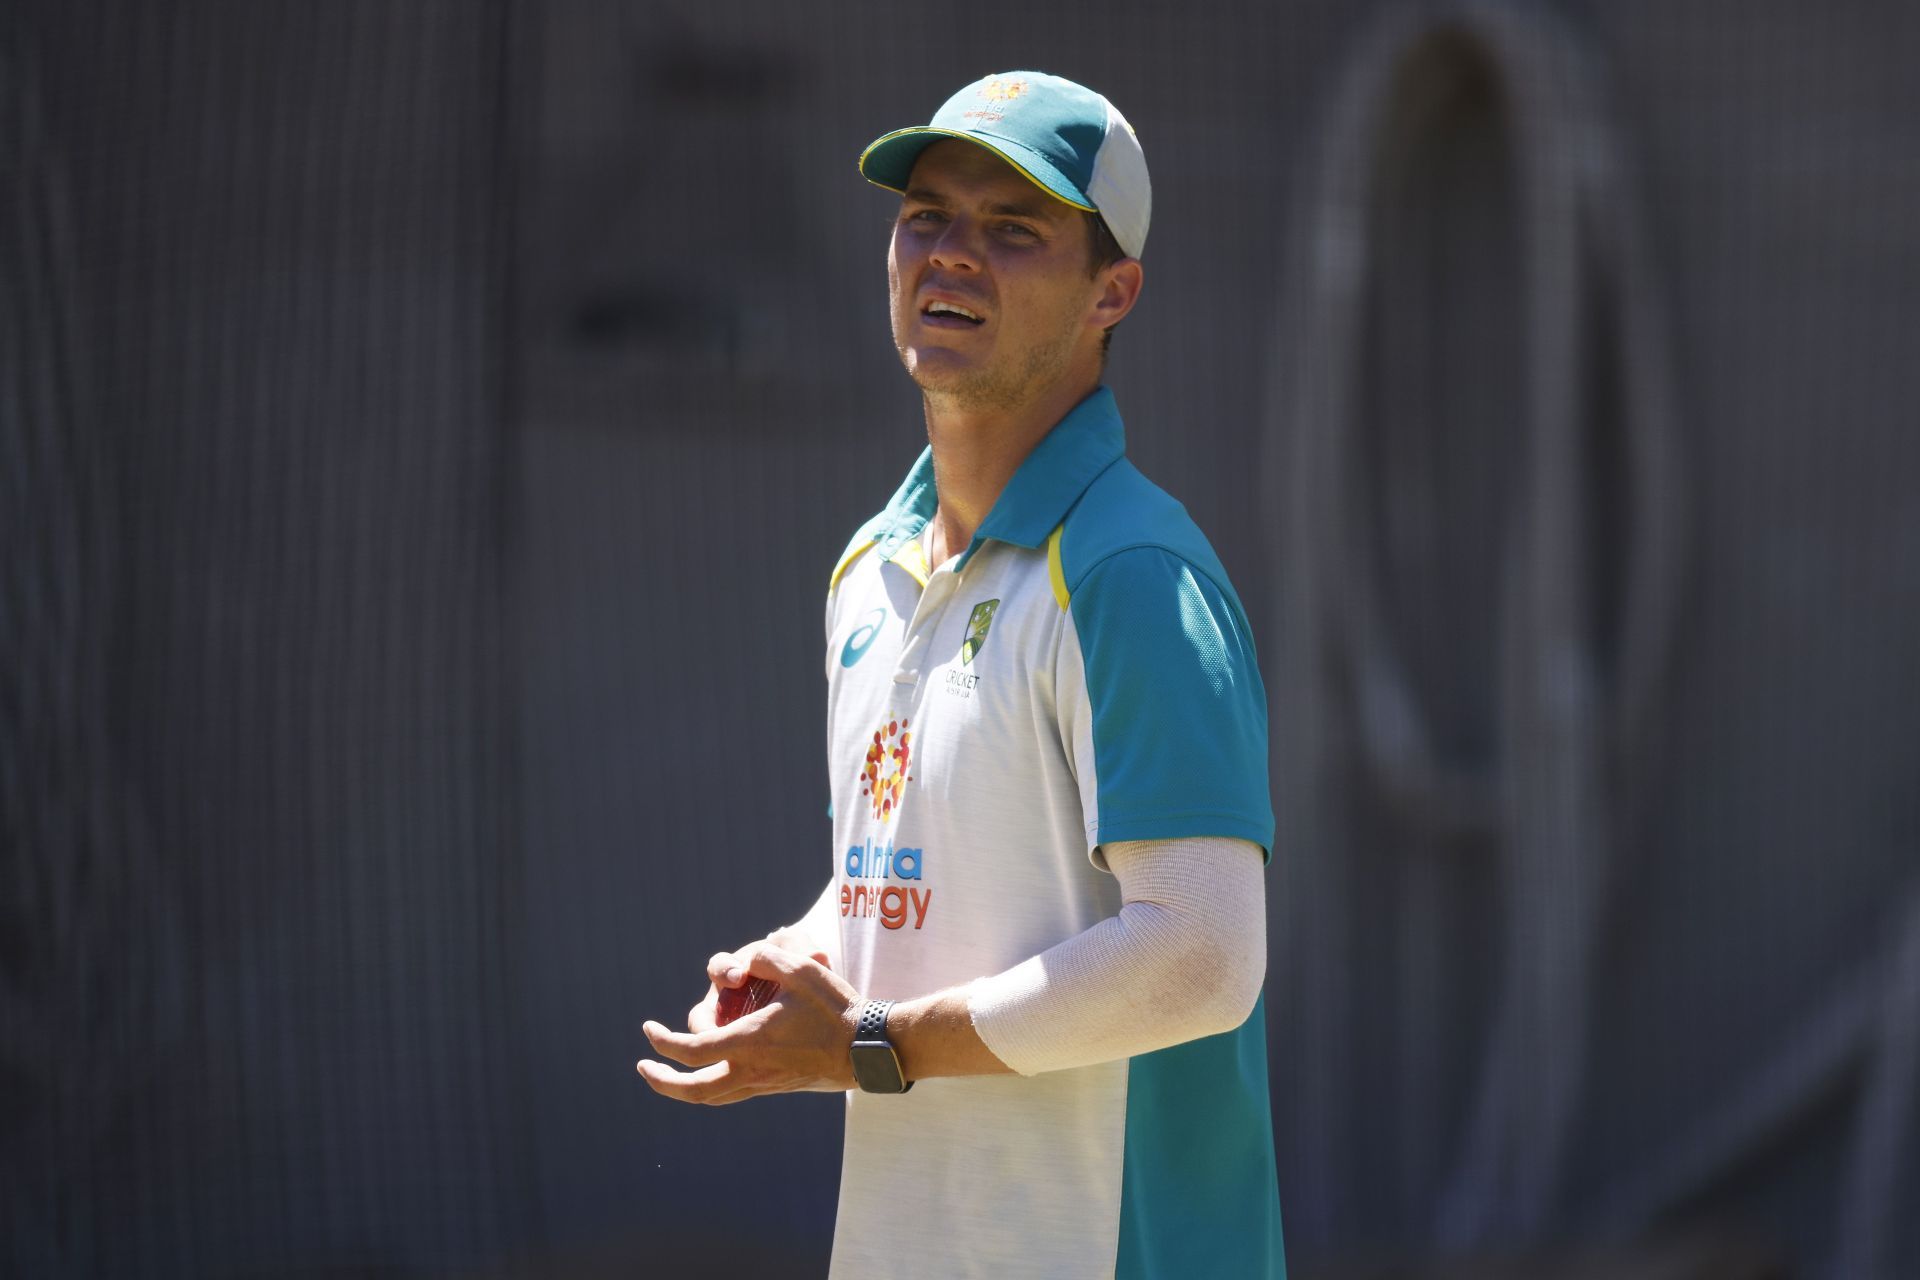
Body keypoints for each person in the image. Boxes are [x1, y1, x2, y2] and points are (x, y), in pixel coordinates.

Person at [638, 70, 1287, 1279]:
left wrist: (877, 1041)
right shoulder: (869, 571)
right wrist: (805, 961)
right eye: (928, 214)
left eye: (1014, 229)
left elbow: (1203, 954)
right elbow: (926, 884)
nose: (950, 254)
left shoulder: (1133, 573)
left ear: (1114, 292)